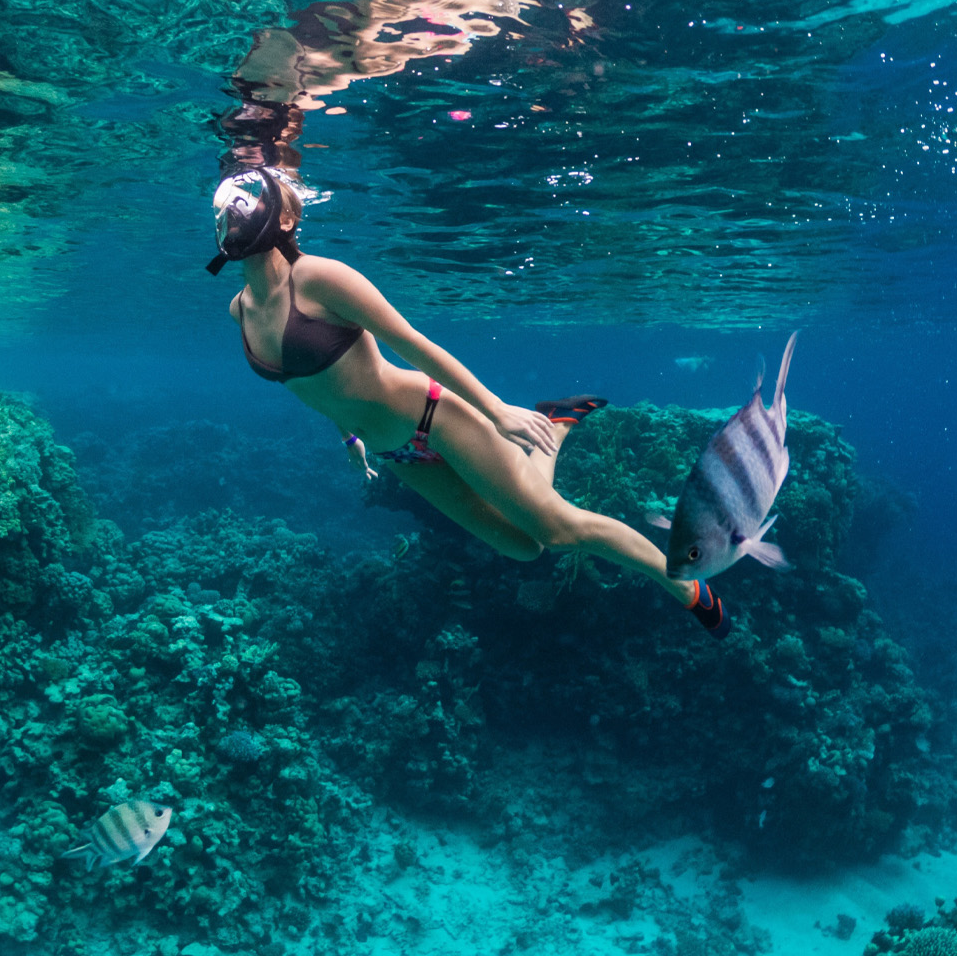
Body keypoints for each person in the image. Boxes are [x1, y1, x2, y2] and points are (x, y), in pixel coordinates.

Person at [208, 165, 730, 638]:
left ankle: (681, 583)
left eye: (246, 201)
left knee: (557, 527)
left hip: (435, 416)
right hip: (398, 455)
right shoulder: (240, 311)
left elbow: (414, 344)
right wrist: (349, 438)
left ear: (286, 215)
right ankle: (554, 427)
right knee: (524, 548)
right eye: (225, 208)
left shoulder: (321, 279)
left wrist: (495, 410)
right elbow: (315, 388)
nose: (233, 212)